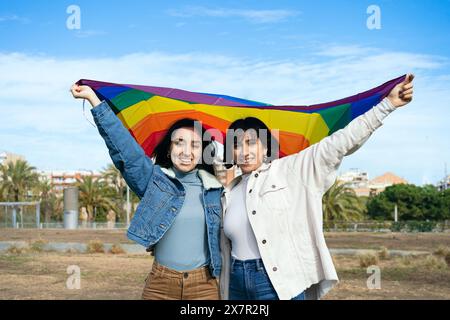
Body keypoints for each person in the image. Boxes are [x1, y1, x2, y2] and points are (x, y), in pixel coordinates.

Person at [219, 74, 415, 300]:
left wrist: (387, 105)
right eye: (236, 144)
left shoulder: (290, 170)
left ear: (266, 147)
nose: (243, 151)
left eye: (251, 142)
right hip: (235, 284)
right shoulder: (228, 191)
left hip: (275, 284)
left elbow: (340, 142)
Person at [70, 84, 223, 300]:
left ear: (203, 152)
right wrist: (95, 101)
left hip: (204, 286)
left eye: (195, 145)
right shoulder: (155, 182)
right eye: (179, 143)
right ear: (169, 151)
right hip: (160, 284)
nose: (186, 151)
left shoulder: (217, 191)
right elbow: (126, 152)